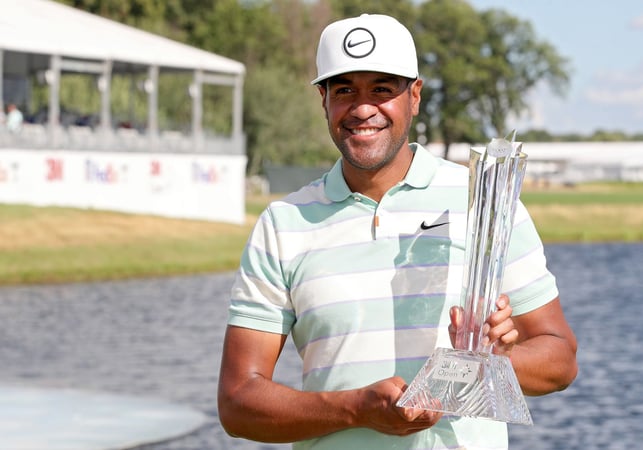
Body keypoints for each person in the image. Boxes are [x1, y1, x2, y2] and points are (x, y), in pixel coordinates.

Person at [218, 13, 578, 449]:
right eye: (344, 89)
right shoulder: (284, 223)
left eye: (383, 89)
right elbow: (238, 403)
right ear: (323, 100)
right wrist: (353, 409)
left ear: (415, 96)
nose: (363, 107)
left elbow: (560, 360)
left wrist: (497, 362)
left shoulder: (482, 203)